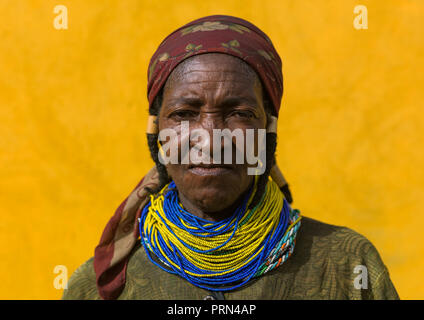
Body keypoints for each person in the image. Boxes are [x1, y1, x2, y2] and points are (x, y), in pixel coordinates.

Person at [62, 15, 399, 300]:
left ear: (269, 128)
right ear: (156, 131)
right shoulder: (98, 287)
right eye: (184, 113)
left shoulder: (348, 266)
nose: (211, 139)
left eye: (239, 113)